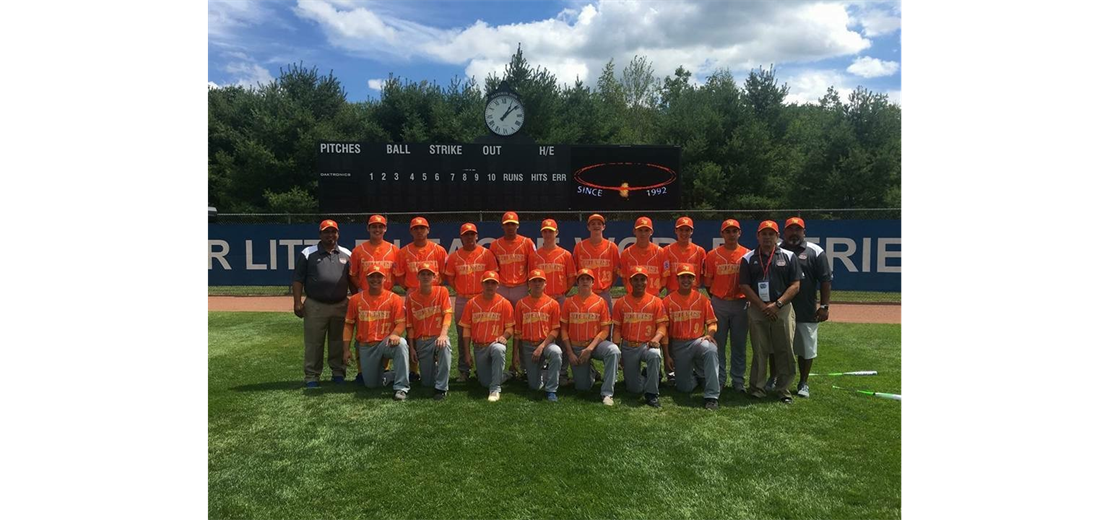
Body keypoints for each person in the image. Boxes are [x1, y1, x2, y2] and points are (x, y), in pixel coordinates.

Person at [738, 220, 802, 403]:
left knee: (785, 350)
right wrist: (762, 305)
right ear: (758, 236)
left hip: (782, 309)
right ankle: (757, 388)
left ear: (777, 236)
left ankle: (784, 390)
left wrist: (778, 304)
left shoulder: (789, 256)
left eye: (771, 234)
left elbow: (795, 285)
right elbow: (744, 285)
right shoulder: (748, 258)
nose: (767, 237)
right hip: (758, 309)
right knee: (759, 350)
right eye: (764, 234)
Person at [292, 219, 352, 388]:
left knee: (338, 341)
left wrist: (357, 301)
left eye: (333, 232)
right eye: (326, 232)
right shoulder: (308, 253)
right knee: (314, 342)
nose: (330, 235)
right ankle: (312, 376)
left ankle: (338, 372)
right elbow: (298, 279)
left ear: (338, 234)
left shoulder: (347, 253)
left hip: (341, 304)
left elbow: (352, 280)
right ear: (320, 234)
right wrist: (297, 302)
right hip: (315, 305)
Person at [779, 217, 832, 399]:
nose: (794, 232)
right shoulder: (775, 249)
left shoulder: (815, 251)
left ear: (804, 232)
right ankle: (774, 378)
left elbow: (825, 280)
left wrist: (824, 306)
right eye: (790, 229)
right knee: (776, 346)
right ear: (784, 232)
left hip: (806, 308)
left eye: (798, 229)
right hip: (780, 308)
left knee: (806, 348)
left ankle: (803, 382)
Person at [342, 265, 410, 400]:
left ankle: (401, 387)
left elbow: (401, 322)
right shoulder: (356, 299)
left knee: (401, 344)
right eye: (372, 276)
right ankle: (392, 375)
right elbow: (349, 325)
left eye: (379, 276)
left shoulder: (394, 298)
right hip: (366, 346)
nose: (375, 279)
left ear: (385, 279)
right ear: (366, 278)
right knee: (372, 385)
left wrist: (395, 333)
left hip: (386, 343)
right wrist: (346, 349)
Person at [347, 214, 400, 384]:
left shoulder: (394, 250)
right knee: (363, 331)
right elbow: (353, 275)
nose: (377, 229)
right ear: (368, 228)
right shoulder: (358, 251)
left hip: (387, 296)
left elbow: (397, 274)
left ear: (385, 229)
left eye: (380, 226)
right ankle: (362, 371)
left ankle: (385, 368)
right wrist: (362, 289)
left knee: (386, 331)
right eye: (373, 226)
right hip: (365, 295)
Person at [662, 263, 721, 410]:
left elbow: (712, 322)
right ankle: (697, 376)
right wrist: (667, 355)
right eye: (683, 277)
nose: (686, 280)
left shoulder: (702, 299)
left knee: (711, 349)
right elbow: (664, 331)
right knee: (684, 388)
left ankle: (712, 396)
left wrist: (710, 334)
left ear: (694, 279)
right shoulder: (668, 301)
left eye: (689, 277)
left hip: (697, 340)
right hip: (678, 345)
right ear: (677, 279)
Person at [444, 222, 498, 382]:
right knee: (462, 335)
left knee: (487, 333)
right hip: (463, 299)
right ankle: (464, 369)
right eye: (466, 234)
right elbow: (451, 278)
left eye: (472, 234)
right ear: (461, 237)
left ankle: (487, 366)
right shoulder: (454, 256)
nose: (469, 237)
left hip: (483, 299)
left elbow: (493, 276)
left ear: (477, 236)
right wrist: (461, 290)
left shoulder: (486, 254)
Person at [702, 219, 751, 392]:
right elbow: (708, 283)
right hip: (719, 302)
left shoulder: (747, 254)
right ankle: (720, 378)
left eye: (734, 231)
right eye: (727, 231)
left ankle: (738, 380)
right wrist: (717, 297)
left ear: (740, 233)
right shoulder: (712, 255)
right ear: (722, 234)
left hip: (741, 303)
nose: (731, 234)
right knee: (718, 343)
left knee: (739, 344)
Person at [561, 268, 621, 405]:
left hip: (596, 345)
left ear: (593, 282)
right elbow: (564, 329)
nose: (585, 281)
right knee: (583, 387)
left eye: (588, 279)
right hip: (576, 346)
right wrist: (570, 353)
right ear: (577, 282)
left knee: (613, 351)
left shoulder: (600, 302)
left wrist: (590, 348)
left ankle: (607, 393)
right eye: (582, 279)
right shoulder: (569, 302)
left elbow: (605, 330)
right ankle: (592, 372)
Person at [611, 267, 668, 408]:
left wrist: (656, 338)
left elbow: (662, 326)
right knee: (634, 389)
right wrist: (618, 351)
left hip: (647, 345)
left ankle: (652, 394)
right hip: (629, 346)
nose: (639, 283)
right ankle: (651, 376)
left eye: (642, 279)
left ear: (647, 281)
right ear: (630, 281)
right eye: (635, 280)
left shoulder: (656, 302)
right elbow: (617, 329)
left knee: (655, 355)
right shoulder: (621, 302)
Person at [458, 271, 515, 402]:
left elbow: (510, 327)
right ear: (481, 284)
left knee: (499, 349)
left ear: (498, 285)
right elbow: (466, 330)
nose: (490, 286)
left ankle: (495, 389)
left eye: (493, 283)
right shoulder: (472, 303)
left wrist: (504, 336)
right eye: (487, 283)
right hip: (479, 347)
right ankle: (505, 375)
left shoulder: (504, 303)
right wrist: (467, 354)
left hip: (494, 344)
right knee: (484, 383)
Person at [514, 269, 564, 402]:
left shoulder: (553, 303)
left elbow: (555, 331)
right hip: (528, 345)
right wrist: (515, 354)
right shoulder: (521, 304)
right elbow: (517, 332)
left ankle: (552, 390)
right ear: (528, 284)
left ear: (545, 283)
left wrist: (541, 347)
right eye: (534, 281)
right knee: (534, 386)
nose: (537, 284)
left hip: (546, 344)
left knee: (556, 352)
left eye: (540, 281)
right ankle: (545, 372)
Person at [406, 262, 453, 400]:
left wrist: (443, 334)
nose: (426, 277)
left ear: (434, 277)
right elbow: (410, 326)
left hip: (438, 337)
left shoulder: (442, 291)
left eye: (429, 274)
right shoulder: (411, 298)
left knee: (445, 347)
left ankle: (441, 388)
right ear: (418, 276)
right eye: (423, 274)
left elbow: (448, 314)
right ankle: (435, 369)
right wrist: (412, 348)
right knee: (427, 382)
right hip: (422, 341)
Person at [572, 214, 620, 310]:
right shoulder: (579, 247)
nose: (596, 226)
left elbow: (616, 271)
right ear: (588, 227)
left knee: (607, 322)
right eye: (593, 224)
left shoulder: (612, 247)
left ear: (603, 227)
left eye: (599, 223)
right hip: (585, 292)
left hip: (604, 292)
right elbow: (575, 270)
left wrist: (608, 286)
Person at [619, 216, 669, 297]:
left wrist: (657, 291)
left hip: (654, 296)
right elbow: (624, 277)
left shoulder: (661, 252)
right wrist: (630, 291)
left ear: (651, 232)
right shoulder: (626, 253)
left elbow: (665, 276)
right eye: (640, 230)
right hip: (633, 297)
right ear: (634, 231)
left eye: (646, 230)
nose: (643, 234)